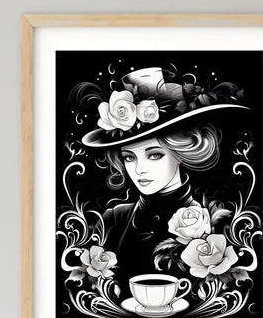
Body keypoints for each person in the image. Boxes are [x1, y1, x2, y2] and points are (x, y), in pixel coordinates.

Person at [77, 66, 250, 285]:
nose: (139, 169)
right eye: (129, 157)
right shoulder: (114, 219)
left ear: (181, 152)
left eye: (154, 155)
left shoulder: (215, 221)